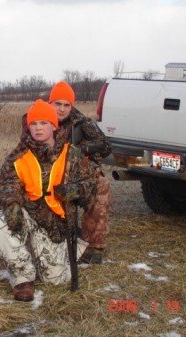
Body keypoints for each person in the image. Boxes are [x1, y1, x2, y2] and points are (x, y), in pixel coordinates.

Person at [0, 99, 97, 302]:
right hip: (28, 218)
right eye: (34, 123)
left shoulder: (71, 155)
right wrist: (12, 204)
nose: (38, 128)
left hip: (56, 227)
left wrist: (72, 191)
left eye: (44, 123)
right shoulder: (18, 156)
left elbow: (91, 188)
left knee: (55, 280)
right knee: (1, 223)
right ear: (28, 126)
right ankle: (23, 279)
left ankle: (71, 250)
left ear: (54, 126)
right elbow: (7, 186)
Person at [48, 81, 112, 264]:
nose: (61, 109)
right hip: (47, 176)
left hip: (73, 176)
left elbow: (105, 146)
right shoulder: (38, 120)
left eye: (66, 105)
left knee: (100, 186)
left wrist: (80, 150)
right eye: (57, 104)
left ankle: (93, 246)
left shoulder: (80, 122)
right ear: (49, 103)